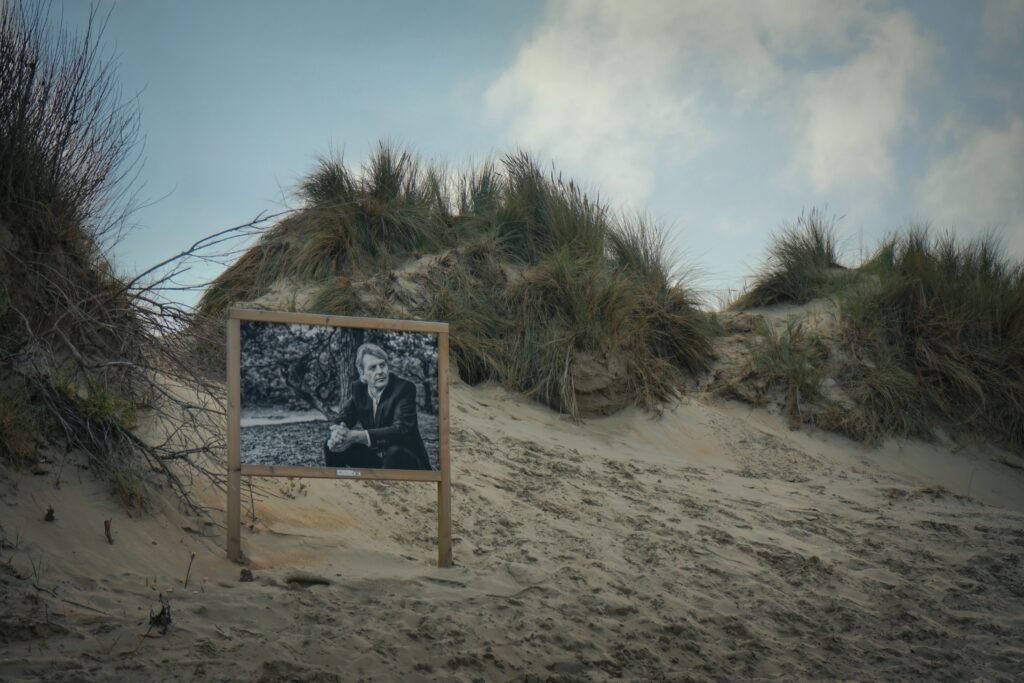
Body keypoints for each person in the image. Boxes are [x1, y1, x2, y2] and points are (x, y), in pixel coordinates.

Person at [323, 343, 432, 470]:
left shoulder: (404, 388)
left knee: (394, 452)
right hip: (378, 460)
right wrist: (338, 433)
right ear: (362, 373)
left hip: (407, 462)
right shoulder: (359, 389)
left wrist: (358, 436)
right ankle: (338, 488)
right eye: (372, 368)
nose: (380, 371)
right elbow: (345, 416)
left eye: (382, 365)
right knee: (331, 446)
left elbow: (402, 428)